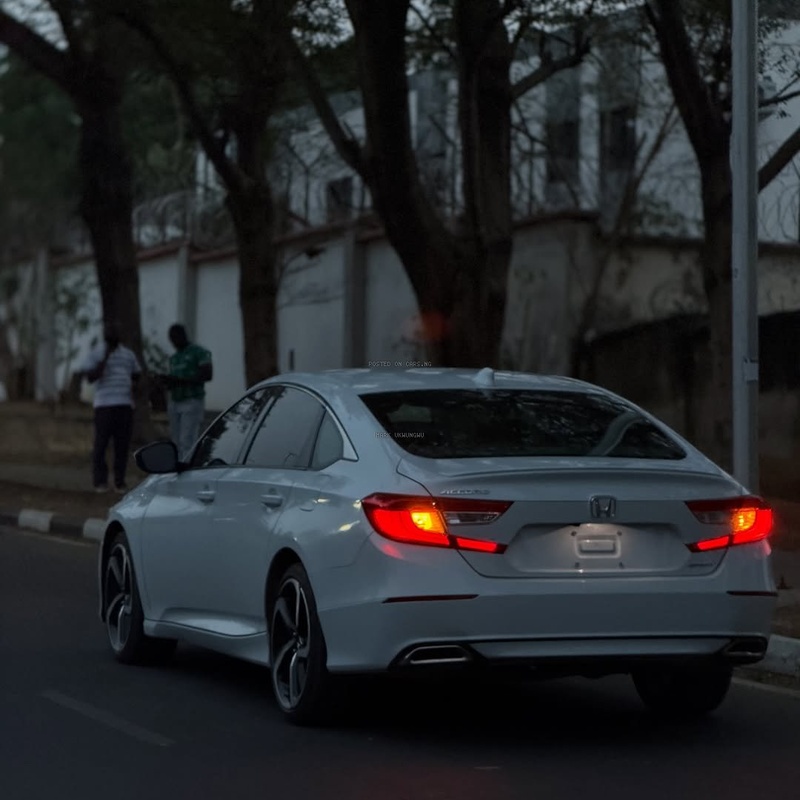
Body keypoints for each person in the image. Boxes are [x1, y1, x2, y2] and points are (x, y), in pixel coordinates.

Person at [81, 322, 141, 493]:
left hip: (124, 404)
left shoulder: (128, 354)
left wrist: (134, 386)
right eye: (109, 332)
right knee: (100, 445)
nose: (112, 334)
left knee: (122, 446)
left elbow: (136, 374)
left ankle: (119, 481)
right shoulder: (97, 352)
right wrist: (105, 358)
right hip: (104, 405)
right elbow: (90, 378)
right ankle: (100, 482)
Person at [160, 323, 213, 459]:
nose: (173, 342)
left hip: (191, 401)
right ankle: (177, 466)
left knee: (187, 440)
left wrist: (180, 380)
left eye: (175, 338)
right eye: (171, 339)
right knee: (176, 441)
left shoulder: (199, 352)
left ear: (183, 335)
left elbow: (207, 375)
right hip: (175, 401)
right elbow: (174, 380)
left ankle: (187, 467)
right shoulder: (174, 358)